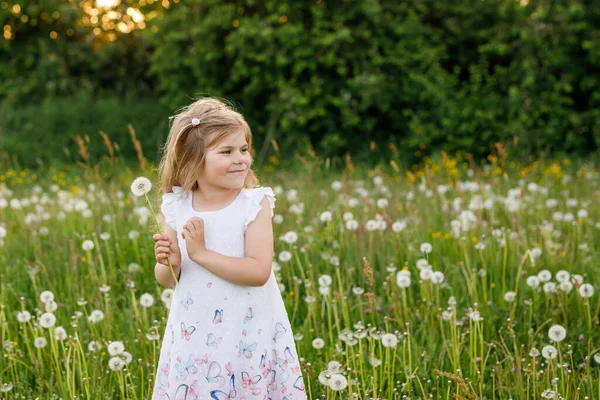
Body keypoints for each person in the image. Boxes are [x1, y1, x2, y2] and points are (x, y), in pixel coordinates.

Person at [150, 98, 306, 400]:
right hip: (194, 331)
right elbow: (167, 279)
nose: (241, 159)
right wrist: (172, 262)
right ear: (194, 159)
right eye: (227, 151)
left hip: (247, 331)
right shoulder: (177, 206)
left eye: (244, 149)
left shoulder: (253, 204)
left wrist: (202, 255)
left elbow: (259, 271)